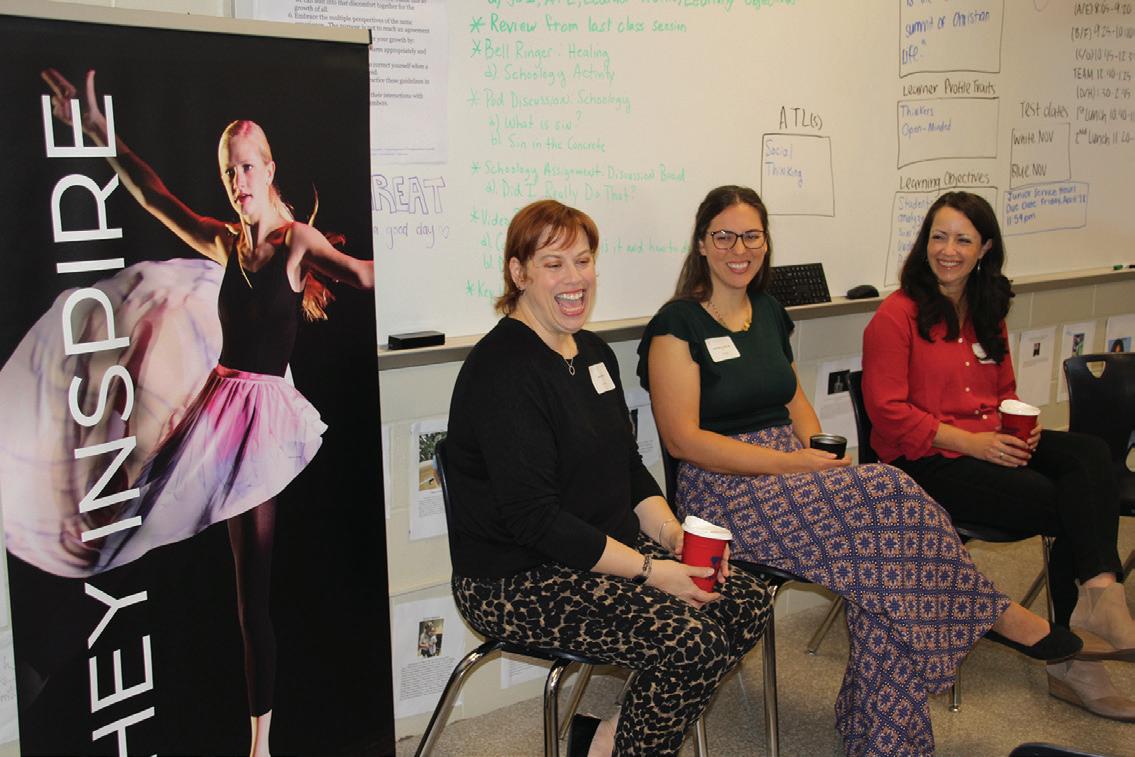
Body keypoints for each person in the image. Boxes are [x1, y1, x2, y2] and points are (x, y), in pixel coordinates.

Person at [637, 185, 1083, 757]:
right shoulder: (676, 325)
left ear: (766, 243)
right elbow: (685, 441)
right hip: (722, 496)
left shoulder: (768, 311)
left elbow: (794, 401)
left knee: (884, 560)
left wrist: (816, 457)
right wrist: (791, 464)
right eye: (724, 236)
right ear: (702, 244)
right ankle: (992, 614)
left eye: (751, 236)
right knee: (888, 490)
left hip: (789, 472)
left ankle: (883, 737)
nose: (738, 249)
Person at [35, 68, 375, 757]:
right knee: (140, 514)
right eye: (228, 172)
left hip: (260, 425)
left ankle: (260, 745)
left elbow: (365, 274)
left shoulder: (296, 243)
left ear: (269, 169)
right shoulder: (225, 241)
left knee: (252, 596)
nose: (238, 182)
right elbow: (155, 197)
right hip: (214, 410)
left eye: (247, 167)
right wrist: (102, 139)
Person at [445, 199, 772, 756]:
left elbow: (626, 464)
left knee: (744, 599)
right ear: (519, 273)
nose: (574, 279)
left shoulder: (594, 352)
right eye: (553, 264)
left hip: (600, 548)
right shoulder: (503, 369)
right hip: (517, 577)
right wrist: (653, 572)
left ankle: (609, 738)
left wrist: (672, 537)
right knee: (689, 644)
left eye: (583, 260)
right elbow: (535, 520)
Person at [862, 190, 1135, 722]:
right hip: (925, 461)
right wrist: (975, 443)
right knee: (1069, 504)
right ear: (924, 243)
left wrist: (1023, 432)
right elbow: (888, 414)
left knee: (1089, 455)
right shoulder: (896, 316)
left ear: (984, 248)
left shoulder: (987, 308)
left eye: (963, 240)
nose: (948, 250)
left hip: (988, 441)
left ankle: (1100, 596)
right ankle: (1072, 660)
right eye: (938, 237)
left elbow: (1003, 390)